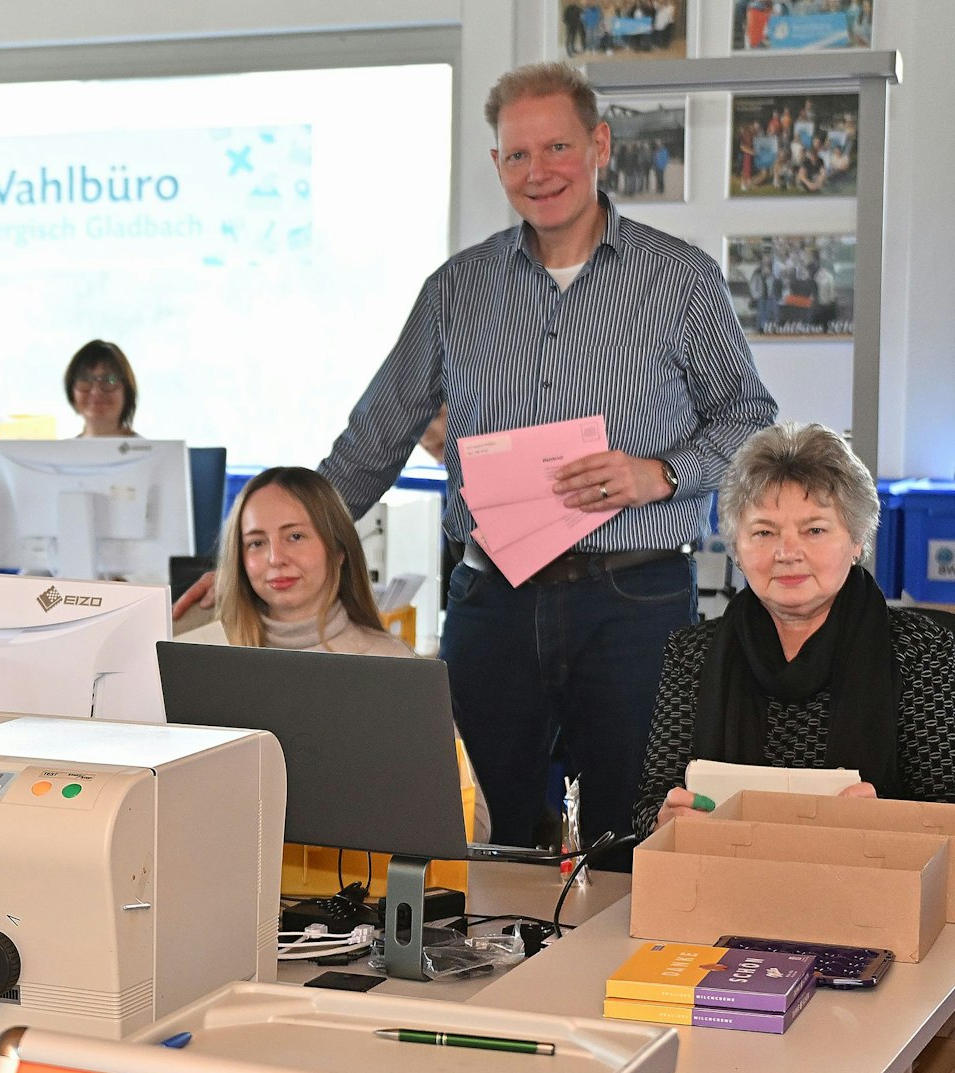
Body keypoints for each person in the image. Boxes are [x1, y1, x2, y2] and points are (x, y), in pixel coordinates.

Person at [181, 63, 777, 859]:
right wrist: (257, 549)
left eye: (559, 146)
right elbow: (374, 439)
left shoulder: (679, 279)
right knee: (466, 827)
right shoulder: (456, 290)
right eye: (518, 156)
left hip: (633, 598)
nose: (541, 173)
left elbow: (752, 417)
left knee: (634, 834)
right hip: (493, 601)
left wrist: (658, 472)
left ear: (598, 144)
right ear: (497, 165)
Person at [635, 423, 955, 838]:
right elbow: (649, 805)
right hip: (723, 884)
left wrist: (887, 822)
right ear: (736, 546)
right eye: (764, 532)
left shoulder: (921, 651)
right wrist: (665, 820)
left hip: (871, 887)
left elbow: (946, 810)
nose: (787, 553)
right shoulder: (692, 652)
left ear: (857, 539)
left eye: (815, 530)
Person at [183, 467, 492, 843]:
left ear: (339, 549)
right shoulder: (204, 653)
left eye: (295, 536)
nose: (275, 558)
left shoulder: (391, 666)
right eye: (256, 543)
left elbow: (472, 826)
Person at [64, 340, 140, 439]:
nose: (96, 392)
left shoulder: (154, 453)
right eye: (85, 379)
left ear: (127, 391)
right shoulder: (60, 453)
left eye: (109, 380)